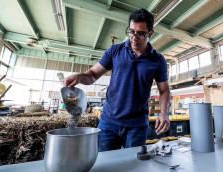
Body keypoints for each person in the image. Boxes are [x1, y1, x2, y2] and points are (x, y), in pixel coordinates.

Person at [64, 9, 170, 152]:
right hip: (109, 122)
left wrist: (164, 114)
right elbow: (93, 74)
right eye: (131, 31)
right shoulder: (115, 51)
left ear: (150, 33)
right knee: (104, 163)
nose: (134, 37)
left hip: (137, 125)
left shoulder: (158, 60)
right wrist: (80, 76)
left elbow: (164, 91)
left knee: (133, 165)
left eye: (140, 33)